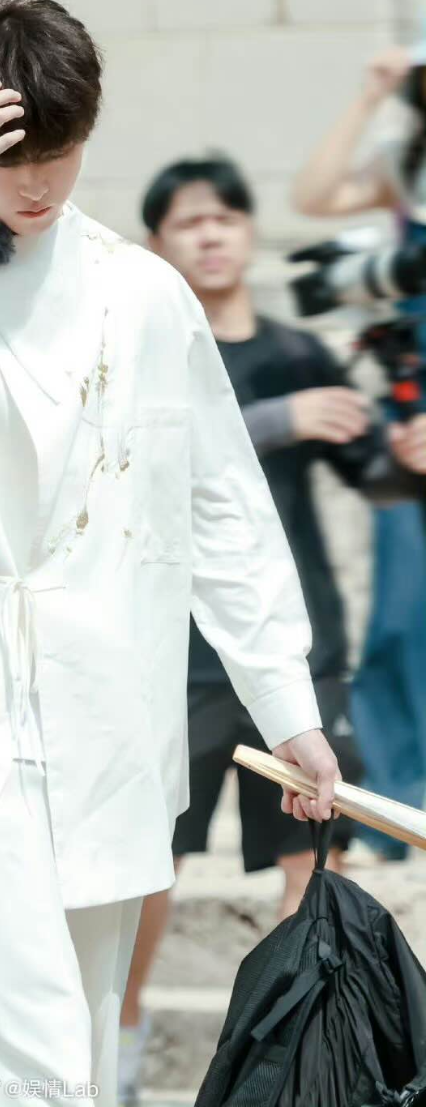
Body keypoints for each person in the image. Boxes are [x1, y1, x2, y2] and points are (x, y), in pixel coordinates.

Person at [0, 0, 341, 1107]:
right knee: (27, 1049)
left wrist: (285, 705)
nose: (38, 184)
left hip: (107, 707)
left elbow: (221, 506)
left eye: (61, 153)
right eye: (11, 160)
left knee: (82, 1040)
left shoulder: (142, 293)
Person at [116, 152, 426, 1105]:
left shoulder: (300, 351)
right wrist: (283, 418)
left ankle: (294, 1061)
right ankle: (119, 1034)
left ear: (249, 232)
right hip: (176, 654)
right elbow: (152, 452)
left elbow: (373, 473)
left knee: (308, 859)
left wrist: (407, 455)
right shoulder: (147, 351)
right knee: (149, 862)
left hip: (300, 652)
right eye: (189, 222)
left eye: (225, 218)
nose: (210, 235)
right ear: (157, 243)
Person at [292, 45, 426, 861]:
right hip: (410, 430)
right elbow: (312, 195)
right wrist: (371, 96)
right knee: (401, 620)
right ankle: (404, 806)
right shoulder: (406, 168)